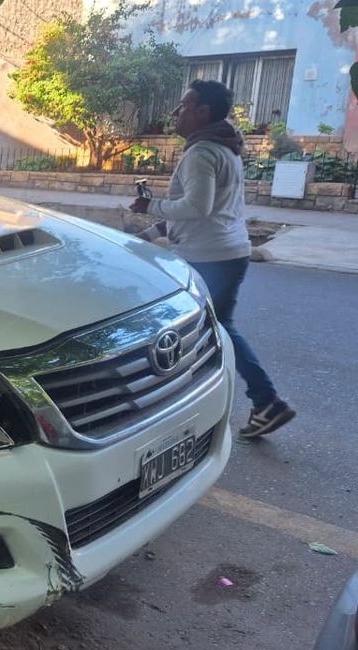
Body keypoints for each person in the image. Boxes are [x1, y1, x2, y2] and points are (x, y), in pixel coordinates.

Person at [130, 79, 294, 439]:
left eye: (184, 106)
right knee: (214, 327)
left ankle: (263, 401)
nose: (176, 113)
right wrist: (151, 233)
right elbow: (210, 210)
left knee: (197, 329)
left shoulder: (202, 152)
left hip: (209, 257)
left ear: (203, 112)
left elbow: (197, 207)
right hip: (229, 251)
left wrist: (150, 205)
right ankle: (258, 401)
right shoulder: (226, 147)